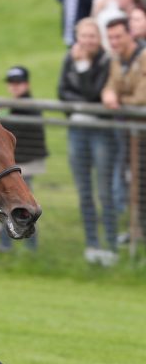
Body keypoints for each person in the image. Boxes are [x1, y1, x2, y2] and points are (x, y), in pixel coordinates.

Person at [58, 18, 118, 265]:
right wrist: (82, 100)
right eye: (84, 36)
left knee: (105, 191)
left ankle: (111, 246)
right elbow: (62, 92)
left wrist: (82, 68)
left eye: (93, 36)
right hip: (78, 130)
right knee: (84, 192)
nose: (88, 40)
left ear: (99, 37)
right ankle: (92, 244)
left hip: (102, 132)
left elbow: (95, 93)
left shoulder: (105, 60)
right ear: (77, 36)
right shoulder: (68, 58)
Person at [101, 17, 146, 246]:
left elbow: (142, 98)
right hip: (131, 134)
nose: (114, 41)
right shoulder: (117, 60)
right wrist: (108, 93)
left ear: (131, 34)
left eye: (118, 36)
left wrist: (118, 98)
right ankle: (137, 231)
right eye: (110, 38)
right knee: (135, 184)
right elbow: (111, 84)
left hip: (142, 131)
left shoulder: (144, 57)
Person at [0, 66, 48, 251]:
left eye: (18, 82)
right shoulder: (16, 105)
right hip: (18, 163)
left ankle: (20, 246)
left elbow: (12, 131)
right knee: (15, 205)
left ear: (26, 83)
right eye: (12, 83)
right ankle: (10, 245)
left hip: (25, 163)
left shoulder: (27, 106)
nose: (15, 86)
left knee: (20, 205)